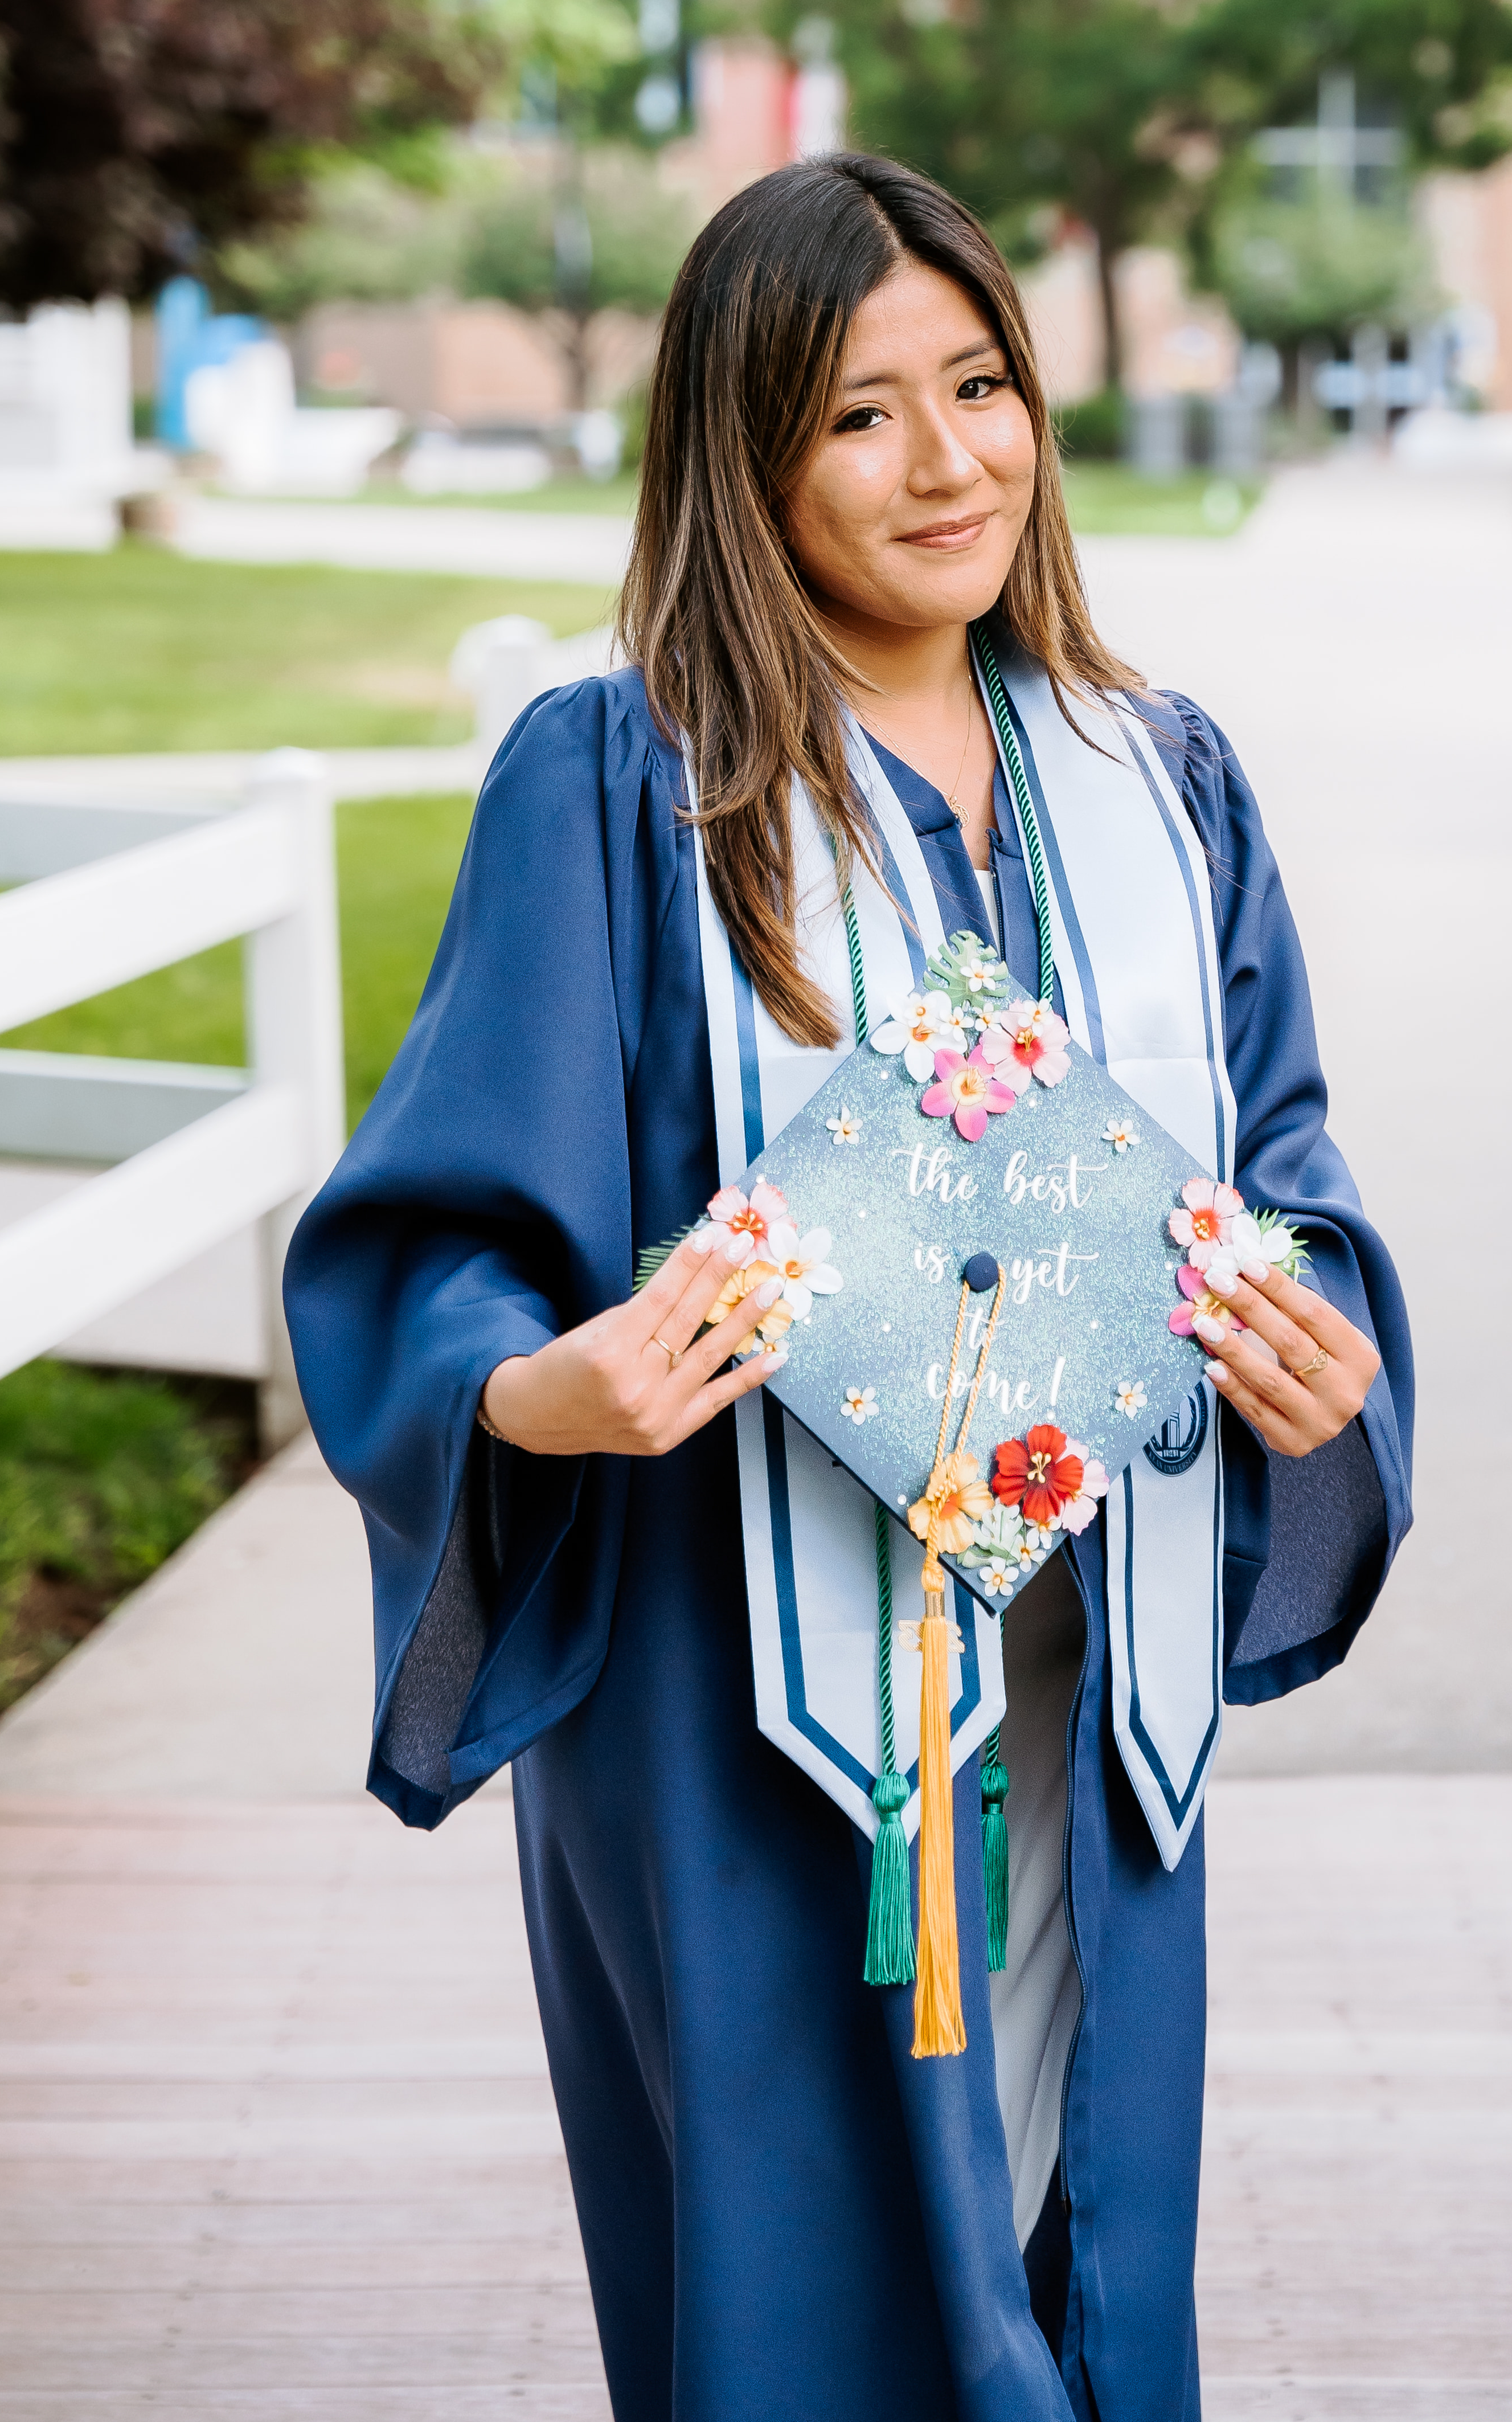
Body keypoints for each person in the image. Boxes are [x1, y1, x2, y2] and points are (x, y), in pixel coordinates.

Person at [285, 154, 1412, 2422]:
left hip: (1086, 1687)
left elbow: (1280, 1163)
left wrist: (1322, 1337)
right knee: (802, 2304)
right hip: (743, 1705)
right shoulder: (624, 783)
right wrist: (534, 1395)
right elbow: (437, 1232)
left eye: (979, 387)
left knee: (1074, 2265)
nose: (948, 462)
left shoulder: (1157, 777)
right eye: (858, 415)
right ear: (743, 455)